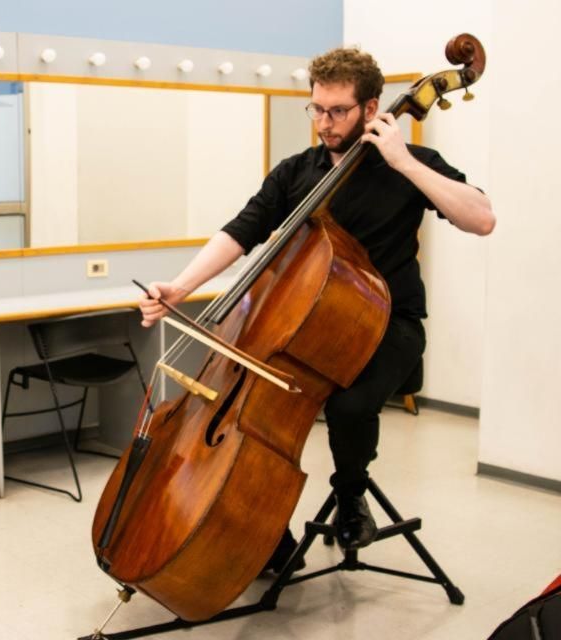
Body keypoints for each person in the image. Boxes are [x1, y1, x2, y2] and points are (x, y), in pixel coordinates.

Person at [138, 47, 495, 569]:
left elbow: (481, 217)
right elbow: (242, 232)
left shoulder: (407, 165)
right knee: (253, 411)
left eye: (338, 111)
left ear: (372, 108)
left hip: (388, 324)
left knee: (348, 407)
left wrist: (404, 161)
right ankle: (263, 534)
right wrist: (181, 286)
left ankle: (351, 497)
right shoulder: (295, 173)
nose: (324, 123)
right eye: (317, 109)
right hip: (306, 329)